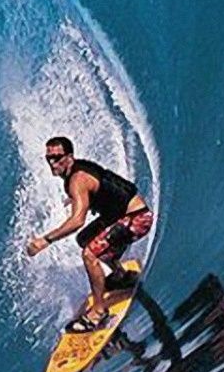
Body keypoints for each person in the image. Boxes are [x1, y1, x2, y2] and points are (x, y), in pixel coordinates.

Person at [25, 135, 154, 332]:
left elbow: (77, 220)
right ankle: (121, 276)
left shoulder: (77, 179)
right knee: (84, 239)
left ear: (69, 157)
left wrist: (46, 240)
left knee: (89, 254)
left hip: (137, 219)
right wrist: (77, 199)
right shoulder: (75, 172)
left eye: (57, 158)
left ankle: (99, 313)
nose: (52, 163)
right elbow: (99, 186)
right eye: (48, 159)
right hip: (120, 216)